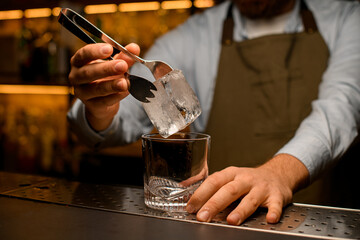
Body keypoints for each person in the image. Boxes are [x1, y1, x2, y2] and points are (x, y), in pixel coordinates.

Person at [67, 0, 360, 225]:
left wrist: (278, 174)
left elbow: (343, 106)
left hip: (321, 223)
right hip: (218, 222)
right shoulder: (193, 35)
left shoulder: (347, 16)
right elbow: (121, 119)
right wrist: (100, 106)